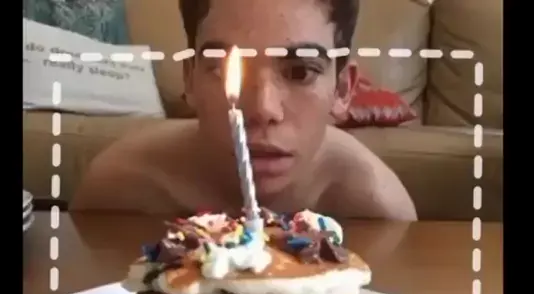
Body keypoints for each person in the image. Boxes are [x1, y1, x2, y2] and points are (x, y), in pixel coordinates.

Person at [71, 0, 417, 221]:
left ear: (342, 89)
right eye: (225, 70)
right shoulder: (120, 188)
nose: (263, 109)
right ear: (190, 79)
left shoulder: (375, 206)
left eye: (300, 72)